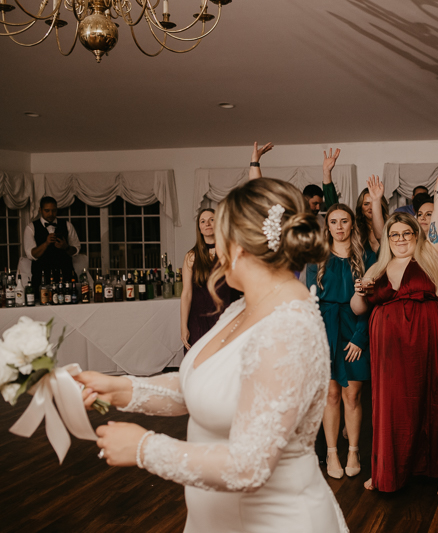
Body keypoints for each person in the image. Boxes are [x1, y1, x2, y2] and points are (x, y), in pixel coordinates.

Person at [77, 178, 348, 533]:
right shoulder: (240, 308)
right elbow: (207, 385)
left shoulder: (289, 328)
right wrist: (123, 390)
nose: (215, 251)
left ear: (237, 248)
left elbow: (249, 465)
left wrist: (145, 448)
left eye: (219, 237)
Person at [350, 147, 438, 496]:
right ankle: (386, 468)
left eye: (407, 234)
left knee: (432, 398)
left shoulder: (432, 256)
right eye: (394, 235)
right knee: (389, 406)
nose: (400, 239)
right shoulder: (378, 266)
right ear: (388, 238)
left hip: (427, 339)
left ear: (417, 235)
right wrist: (359, 290)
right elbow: (357, 308)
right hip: (388, 349)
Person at [307, 203, 377, 480]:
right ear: (328, 228)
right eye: (333, 222)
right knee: (331, 395)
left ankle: (354, 451)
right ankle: (332, 451)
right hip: (325, 330)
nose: (339, 226)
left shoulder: (367, 257)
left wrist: (360, 337)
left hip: (356, 329)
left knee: (352, 395)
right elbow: (310, 303)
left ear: (352, 224)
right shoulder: (317, 258)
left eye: (344, 221)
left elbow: (373, 302)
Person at [180, 209, 236, 350]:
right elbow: (186, 293)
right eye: (203, 221)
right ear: (199, 228)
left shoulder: (229, 252)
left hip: (224, 316)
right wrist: (183, 326)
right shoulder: (191, 256)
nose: (207, 224)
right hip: (198, 319)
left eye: (212, 219)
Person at [24, 196, 80, 292]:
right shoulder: (31, 228)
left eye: (54, 211)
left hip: (66, 276)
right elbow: (32, 254)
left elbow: (76, 250)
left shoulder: (67, 225)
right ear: (40, 210)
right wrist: (46, 243)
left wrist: (66, 247)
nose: (51, 214)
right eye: (47, 210)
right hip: (41, 279)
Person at [354, 184, 389, 254]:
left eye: (374, 203)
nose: (371, 207)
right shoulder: (355, 229)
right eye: (366, 204)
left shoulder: (391, 226)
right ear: (360, 208)